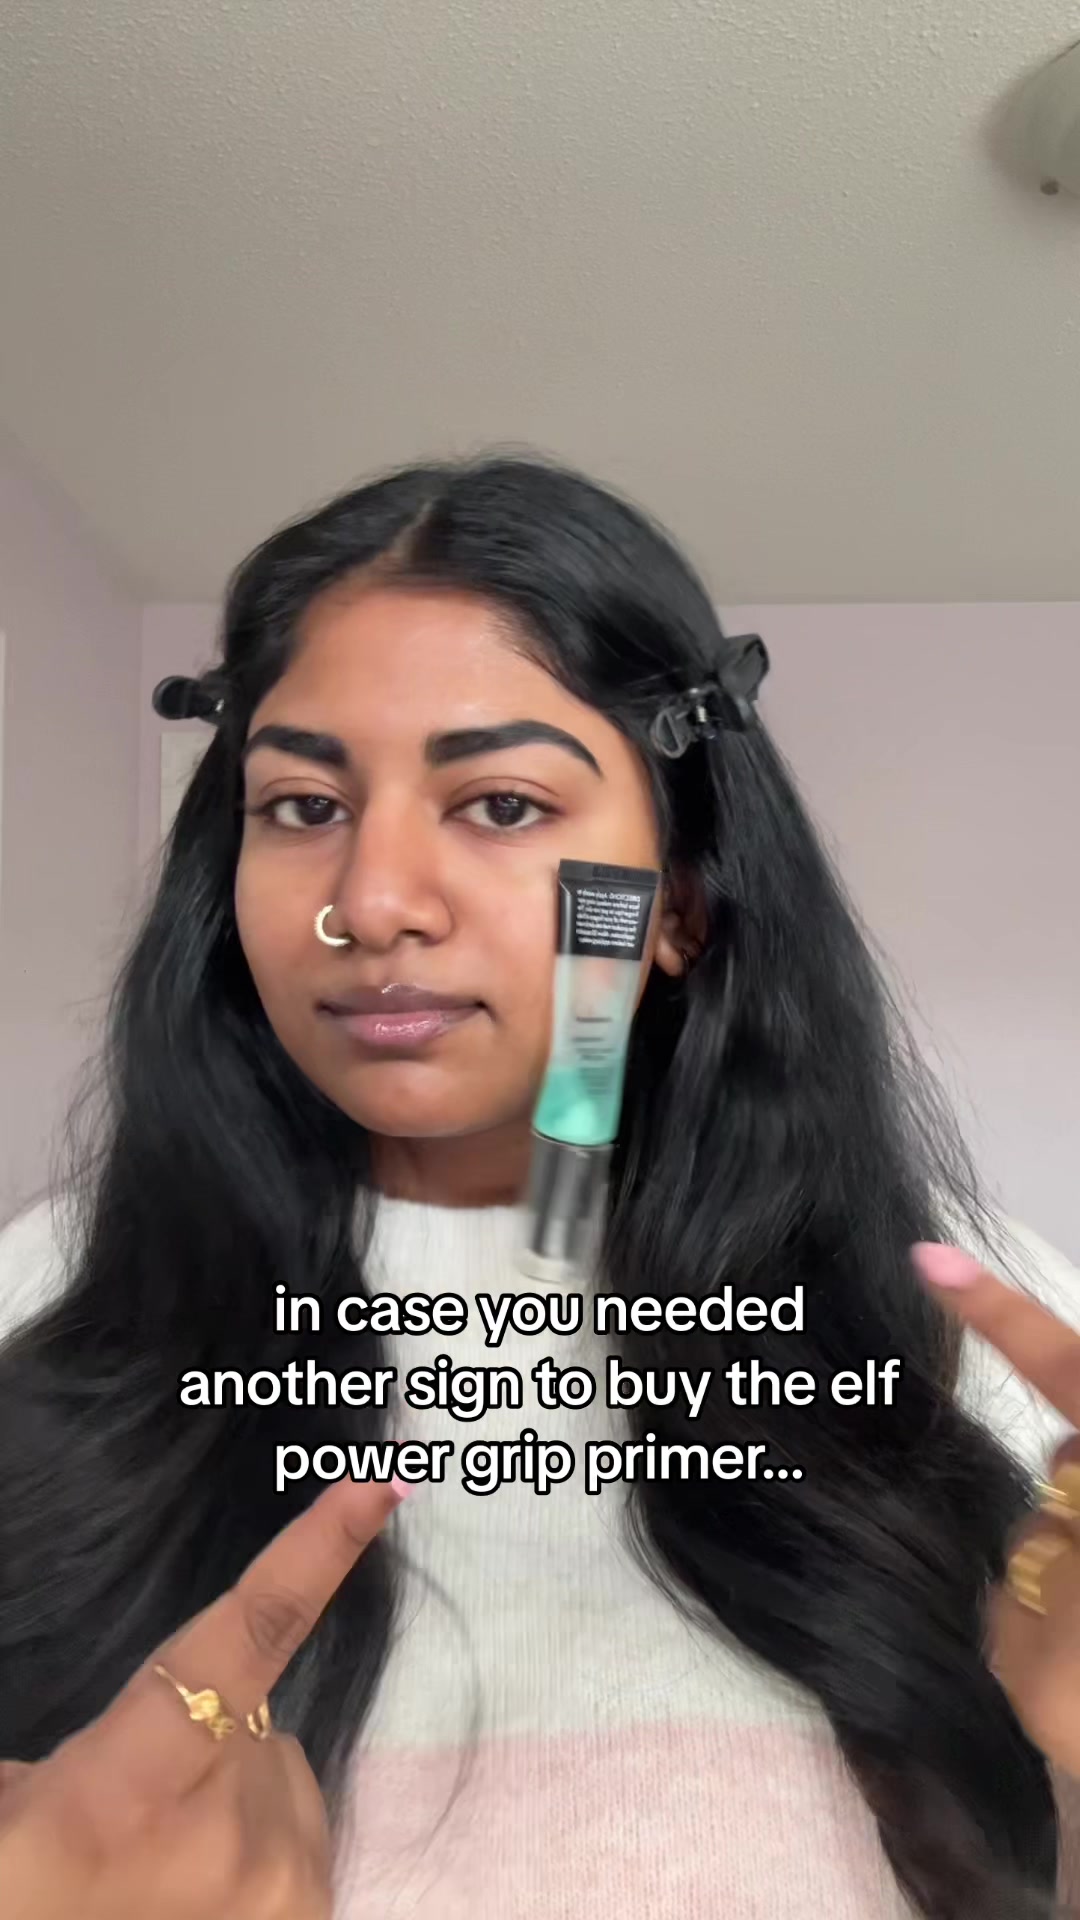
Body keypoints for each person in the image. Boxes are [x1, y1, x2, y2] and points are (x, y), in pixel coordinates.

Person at [1, 454, 1079, 1919]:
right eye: (302, 805)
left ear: (678, 904)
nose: (372, 901)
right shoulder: (51, 1289)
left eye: (502, 804)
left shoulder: (973, 1331)